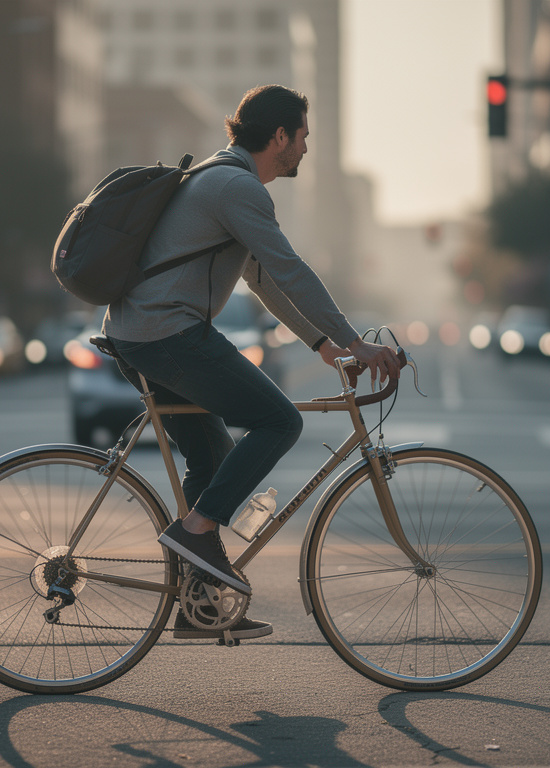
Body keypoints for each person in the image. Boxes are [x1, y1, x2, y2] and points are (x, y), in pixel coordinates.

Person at [103, 85, 401, 640]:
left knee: (214, 451)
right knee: (280, 420)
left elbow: (260, 277)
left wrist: (322, 345)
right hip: (166, 335)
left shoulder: (221, 180)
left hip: (139, 335)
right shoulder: (236, 187)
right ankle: (195, 531)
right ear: (280, 136)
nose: (307, 148)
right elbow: (289, 268)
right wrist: (356, 342)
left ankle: (200, 607)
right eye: (304, 136)